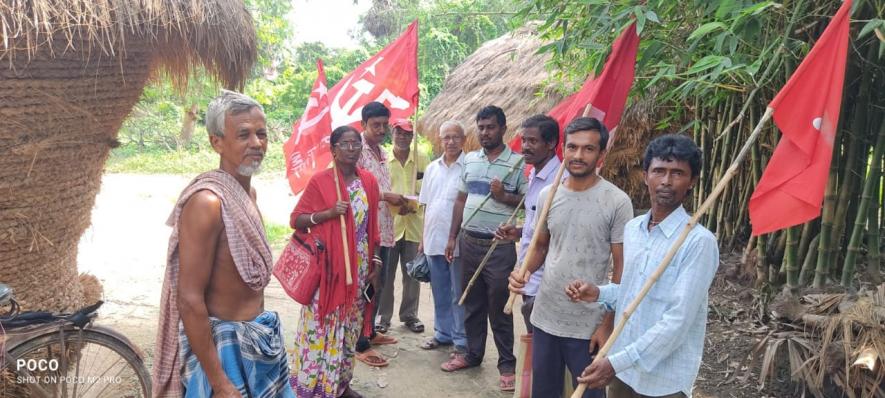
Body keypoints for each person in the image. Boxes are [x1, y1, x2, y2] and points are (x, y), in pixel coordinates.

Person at [152, 90, 294, 398]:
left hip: (260, 339)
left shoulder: (248, 196)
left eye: (261, 134)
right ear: (217, 142)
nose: (256, 144)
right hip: (222, 354)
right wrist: (220, 382)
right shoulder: (207, 203)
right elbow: (189, 298)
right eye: (243, 134)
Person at [567, 134, 719, 398]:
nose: (666, 181)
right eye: (659, 171)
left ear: (692, 181)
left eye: (678, 173)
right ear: (646, 175)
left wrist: (617, 361)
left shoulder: (698, 242)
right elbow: (634, 292)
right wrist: (600, 293)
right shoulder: (634, 229)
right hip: (624, 372)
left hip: (663, 380)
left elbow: (677, 320)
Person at [507, 117, 633, 398]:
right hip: (546, 315)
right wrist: (523, 271)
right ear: (563, 149)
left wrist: (607, 323)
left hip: (588, 327)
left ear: (601, 154)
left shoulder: (617, 201)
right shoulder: (548, 196)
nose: (578, 155)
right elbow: (540, 247)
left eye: (588, 149)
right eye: (573, 147)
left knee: (588, 394)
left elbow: (622, 268)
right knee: (544, 392)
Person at [289, 125, 383, 398]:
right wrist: (328, 214)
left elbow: (373, 228)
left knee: (350, 329)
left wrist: (375, 262)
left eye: (355, 143)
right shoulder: (321, 182)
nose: (352, 148)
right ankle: (312, 387)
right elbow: (297, 219)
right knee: (322, 329)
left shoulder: (368, 182)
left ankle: (341, 385)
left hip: (360, 269)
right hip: (328, 272)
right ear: (333, 149)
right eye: (345, 144)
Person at [442, 105, 527, 392]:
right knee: (471, 302)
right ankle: (473, 355)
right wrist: (452, 237)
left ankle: (506, 365)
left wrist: (504, 196)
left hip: (499, 246)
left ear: (503, 129)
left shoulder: (518, 162)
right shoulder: (469, 160)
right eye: (481, 127)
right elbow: (460, 200)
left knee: (500, 307)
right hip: (469, 241)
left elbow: (528, 203)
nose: (485, 132)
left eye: (490, 127)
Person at [495, 114, 561, 333]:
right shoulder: (534, 173)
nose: (525, 146)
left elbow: (556, 235)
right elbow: (539, 226)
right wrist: (518, 232)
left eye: (532, 141)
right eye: (524, 140)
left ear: (551, 144)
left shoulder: (559, 182)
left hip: (545, 280)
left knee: (542, 344)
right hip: (529, 277)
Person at [353, 101, 402, 367]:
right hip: (363, 230)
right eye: (376, 125)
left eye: (385, 125)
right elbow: (355, 188)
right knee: (367, 284)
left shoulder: (381, 152)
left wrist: (397, 202)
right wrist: (386, 196)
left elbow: (379, 187)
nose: (381, 129)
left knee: (378, 282)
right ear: (363, 125)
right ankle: (360, 343)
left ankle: (370, 331)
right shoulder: (356, 150)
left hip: (383, 227)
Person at [418, 120, 468, 354]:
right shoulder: (431, 168)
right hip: (432, 239)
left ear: (464, 139)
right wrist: (422, 240)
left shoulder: (469, 167)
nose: (450, 141)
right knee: (439, 291)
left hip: (457, 242)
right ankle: (442, 333)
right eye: (446, 137)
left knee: (458, 293)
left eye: (455, 137)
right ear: (440, 140)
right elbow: (427, 205)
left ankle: (460, 340)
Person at [377, 118, 429, 334]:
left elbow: (427, 189)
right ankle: (383, 317)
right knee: (386, 275)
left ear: (413, 136)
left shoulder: (423, 158)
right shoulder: (383, 159)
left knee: (412, 275)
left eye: (408, 133)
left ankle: (409, 315)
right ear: (393, 133)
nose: (403, 137)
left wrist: (414, 204)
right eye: (399, 133)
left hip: (414, 225)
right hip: (390, 225)